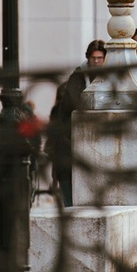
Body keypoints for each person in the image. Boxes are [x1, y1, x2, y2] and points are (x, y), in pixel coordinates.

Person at [45, 39, 109, 206]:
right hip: (72, 139)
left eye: (100, 58)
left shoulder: (111, 75)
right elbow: (71, 105)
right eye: (93, 58)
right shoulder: (79, 77)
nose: (96, 61)